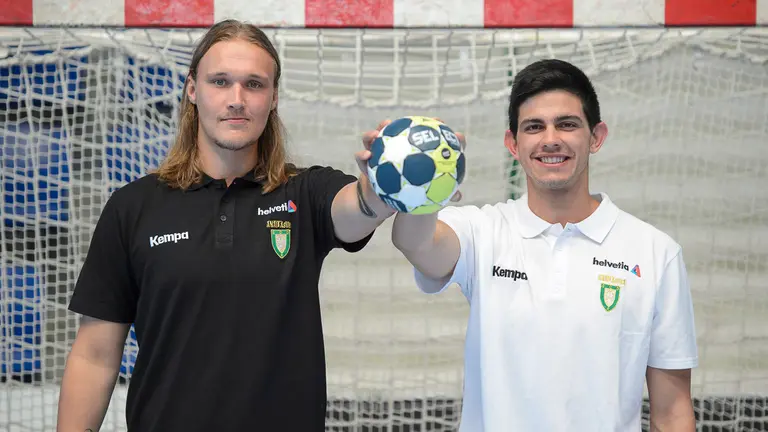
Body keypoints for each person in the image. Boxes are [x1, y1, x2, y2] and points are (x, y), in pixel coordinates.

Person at [57, 19, 395, 432]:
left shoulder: (305, 192)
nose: (237, 99)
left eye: (254, 84)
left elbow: (358, 208)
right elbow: (94, 355)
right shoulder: (133, 206)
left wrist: (384, 184)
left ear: (272, 98)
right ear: (192, 89)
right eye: (220, 81)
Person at [373, 59, 698, 431]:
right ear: (513, 143)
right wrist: (417, 185)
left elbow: (672, 412)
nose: (550, 139)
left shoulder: (656, 253)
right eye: (534, 127)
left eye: (567, 124)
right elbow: (415, 243)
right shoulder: (484, 231)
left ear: (596, 137)